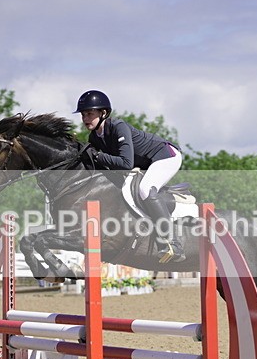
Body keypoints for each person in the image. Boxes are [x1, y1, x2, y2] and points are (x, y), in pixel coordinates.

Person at [74, 90, 184, 262]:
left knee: (145, 189)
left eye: (90, 114)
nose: (85, 118)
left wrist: (97, 155)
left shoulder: (118, 127)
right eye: (83, 115)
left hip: (165, 156)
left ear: (103, 113)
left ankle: (172, 243)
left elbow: (125, 163)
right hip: (145, 164)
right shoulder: (94, 137)